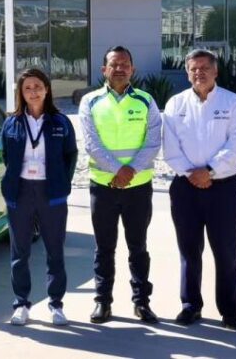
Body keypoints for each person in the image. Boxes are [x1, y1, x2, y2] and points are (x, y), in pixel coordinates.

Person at [161, 49, 236, 330]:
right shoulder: (176, 104)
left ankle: (230, 310)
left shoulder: (232, 102)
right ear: (187, 72)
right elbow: (170, 147)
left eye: (204, 68)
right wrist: (192, 173)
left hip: (223, 187)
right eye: (193, 68)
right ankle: (190, 305)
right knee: (189, 250)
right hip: (185, 187)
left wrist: (209, 171)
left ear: (216, 71)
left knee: (226, 251)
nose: (198, 72)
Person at [78, 45, 162, 325]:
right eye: (114, 64)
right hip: (102, 186)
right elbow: (91, 143)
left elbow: (152, 142)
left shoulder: (146, 101)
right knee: (104, 248)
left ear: (132, 69)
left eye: (125, 64)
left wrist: (130, 171)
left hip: (138, 188)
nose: (120, 68)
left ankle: (142, 303)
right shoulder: (89, 101)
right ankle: (103, 302)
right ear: (104, 70)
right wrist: (118, 170)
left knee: (138, 247)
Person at [0, 68, 78, 326]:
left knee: (54, 251)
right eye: (27, 88)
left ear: (47, 89)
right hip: (20, 192)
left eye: (37, 86)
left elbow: (70, 156)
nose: (33, 92)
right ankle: (21, 303)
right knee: (19, 253)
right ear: (21, 93)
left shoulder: (61, 122)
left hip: (51, 192)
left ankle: (56, 304)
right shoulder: (11, 123)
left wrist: (61, 184)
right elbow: (6, 158)